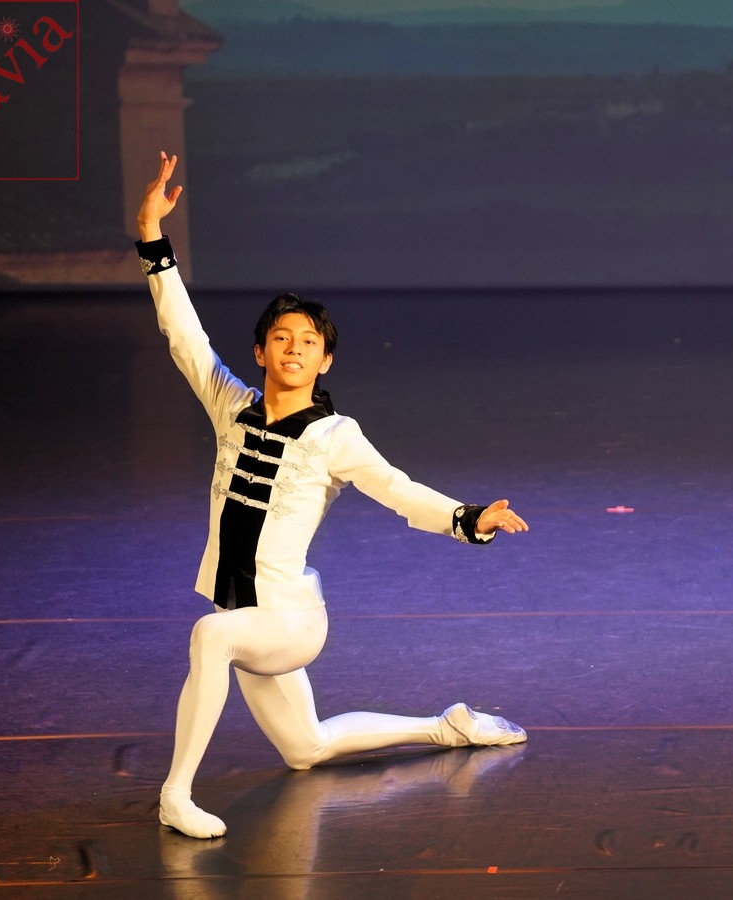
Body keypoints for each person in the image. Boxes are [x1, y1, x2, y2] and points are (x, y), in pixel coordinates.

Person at [137, 152, 530, 839]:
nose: (293, 348)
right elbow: (186, 337)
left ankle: (176, 794)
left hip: (290, 620)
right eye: (280, 338)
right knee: (306, 747)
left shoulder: (334, 436)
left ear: (325, 361)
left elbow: (398, 489)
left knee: (209, 635)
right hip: (246, 613)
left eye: (308, 341)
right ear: (260, 352)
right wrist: (152, 238)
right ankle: (448, 727)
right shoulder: (232, 406)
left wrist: (469, 517)